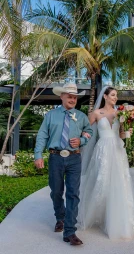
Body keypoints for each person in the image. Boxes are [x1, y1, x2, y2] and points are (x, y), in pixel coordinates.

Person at [77, 86, 134, 240]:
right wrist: (80, 143)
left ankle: (116, 219)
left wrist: (127, 133)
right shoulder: (96, 113)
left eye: (116, 95)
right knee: (102, 181)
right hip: (103, 151)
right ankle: (97, 214)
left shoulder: (120, 113)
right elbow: (86, 132)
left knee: (119, 182)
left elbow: (120, 134)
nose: (115, 97)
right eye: (113, 95)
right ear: (105, 96)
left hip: (118, 150)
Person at [34, 83, 93, 246]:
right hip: (56, 157)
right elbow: (42, 136)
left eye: (75, 97)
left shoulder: (81, 116)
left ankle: (70, 231)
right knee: (56, 191)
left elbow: (90, 132)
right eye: (70, 96)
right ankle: (60, 218)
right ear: (62, 97)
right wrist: (38, 155)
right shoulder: (50, 115)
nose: (73, 99)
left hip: (74, 158)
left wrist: (81, 140)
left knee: (73, 193)